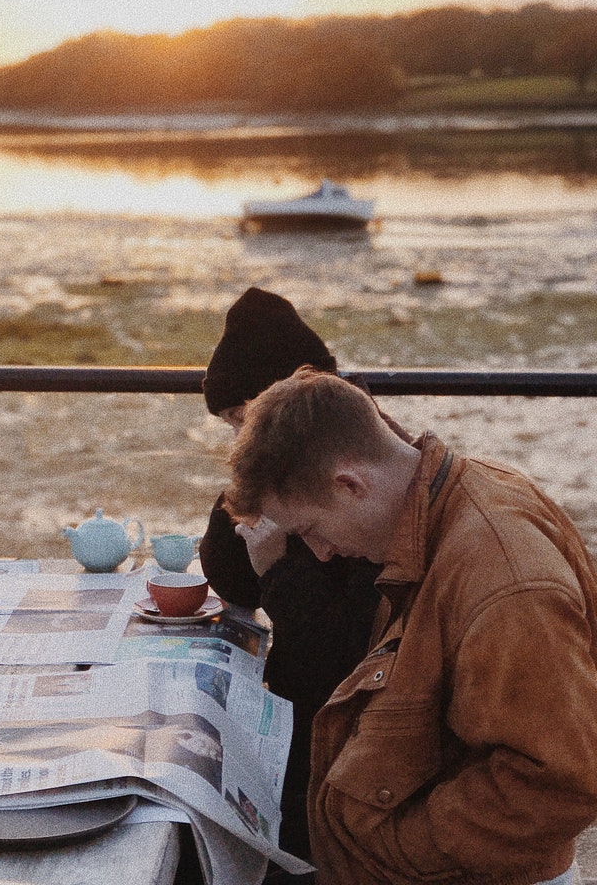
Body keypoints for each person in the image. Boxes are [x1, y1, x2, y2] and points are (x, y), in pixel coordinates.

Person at [224, 367, 597, 885]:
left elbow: (559, 781)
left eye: (310, 529)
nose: (322, 552)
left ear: (350, 484)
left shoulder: (507, 582)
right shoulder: (447, 501)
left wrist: (396, 848)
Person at [197, 287, 382, 867]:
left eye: (239, 421)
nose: (235, 437)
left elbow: (325, 664)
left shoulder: (348, 484)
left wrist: (275, 566)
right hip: (330, 728)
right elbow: (229, 576)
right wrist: (249, 493)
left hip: (350, 750)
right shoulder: (301, 467)